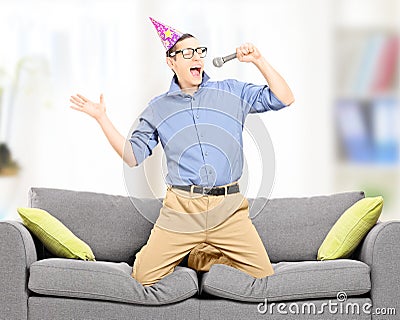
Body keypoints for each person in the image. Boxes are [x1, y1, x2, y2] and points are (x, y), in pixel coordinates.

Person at [70, 17, 294, 287]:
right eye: (187, 53)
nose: (196, 57)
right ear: (171, 62)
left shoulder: (231, 92)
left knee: (264, 277)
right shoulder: (158, 108)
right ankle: (193, 252)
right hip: (181, 209)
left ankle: (200, 257)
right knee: (142, 277)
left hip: (230, 208)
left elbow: (284, 98)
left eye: (200, 51)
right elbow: (132, 157)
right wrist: (102, 118)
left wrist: (259, 60)